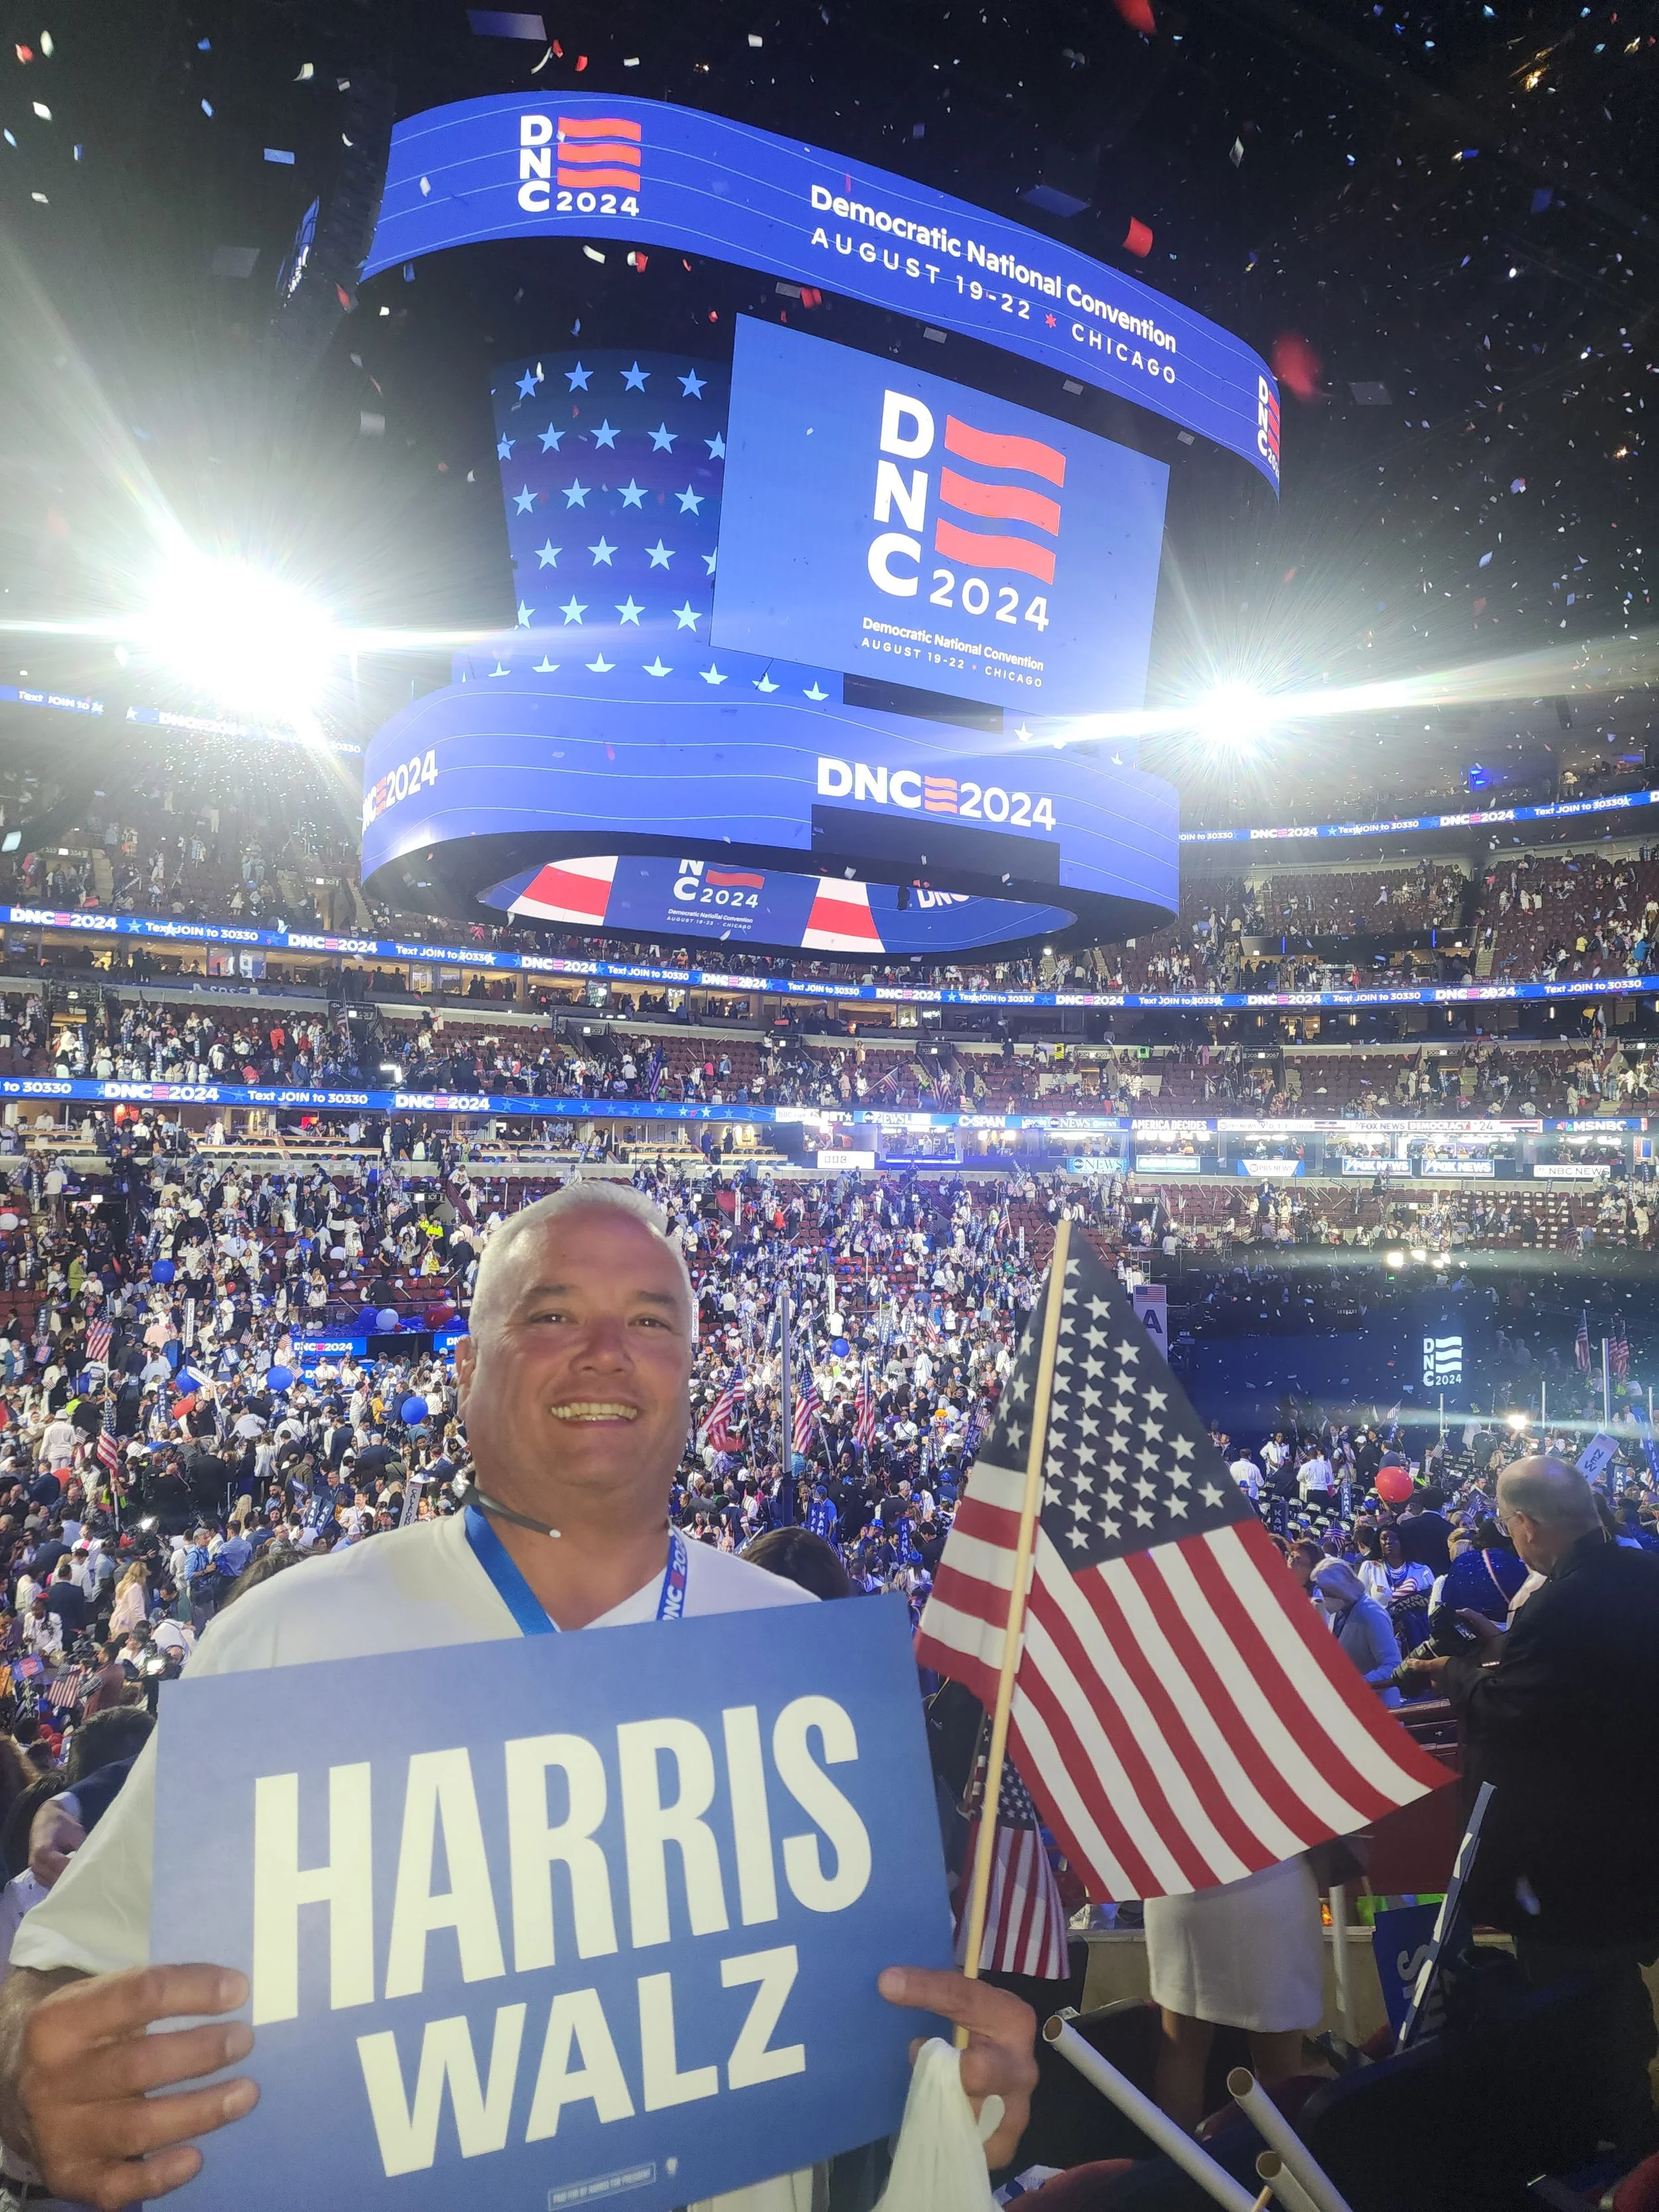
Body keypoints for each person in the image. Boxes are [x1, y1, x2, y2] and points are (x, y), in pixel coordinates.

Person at [0, 1184, 1037, 2211]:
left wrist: (954, 2083)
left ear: (688, 1369)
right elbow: (54, 1974)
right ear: (465, 1369)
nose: (606, 1348)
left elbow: (866, 2048)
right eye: (552, 1315)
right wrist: (25, 2083)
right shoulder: (286, 1640)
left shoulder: (803, 1652)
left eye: (649, 1319)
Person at [1404, 1457, 1659, 2150]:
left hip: (1571, 1862)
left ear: (1524, 1525)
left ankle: (1609, 2155)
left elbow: (1513, 1712)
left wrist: (1453, 1672)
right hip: (1636, 1842)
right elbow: (1582, 1679)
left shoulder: (1559, 1601)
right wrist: (1508, 1649)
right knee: (1614, 2004)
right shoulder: (1640, 1574)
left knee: (1577, 2015)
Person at [1310, 1558, 1405, 1706]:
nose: (1322, 1596)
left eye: (1326, 1592)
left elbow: (1392, 1665)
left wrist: (1359, 1684)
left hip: (1379, 1707)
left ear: (1339, 1590)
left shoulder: (1371, 1613)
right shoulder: (1340, 1610)